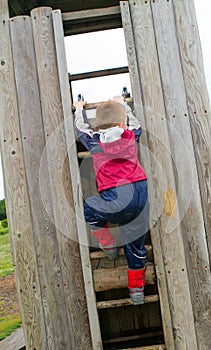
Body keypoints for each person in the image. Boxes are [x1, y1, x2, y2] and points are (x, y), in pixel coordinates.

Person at [74, 96, 149, 305]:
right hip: (140, 197)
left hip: (114, 200)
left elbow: (80, 128)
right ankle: (137, 292)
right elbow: (136, 123)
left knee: (89, 210)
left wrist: (79, 108)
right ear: (121, 123)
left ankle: (108, 245)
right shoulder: (130, 135)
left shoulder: (94, 141)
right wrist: (122, 102)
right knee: (135, 246)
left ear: (99, 126)